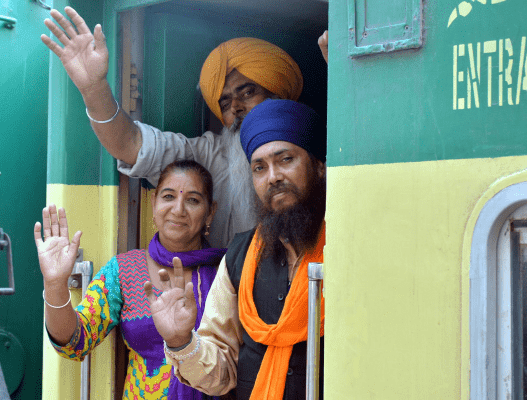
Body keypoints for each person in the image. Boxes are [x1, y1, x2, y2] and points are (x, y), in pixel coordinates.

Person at [41, 7, 325, 248]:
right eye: (224, 102)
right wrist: (94, 89)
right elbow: (129, 145)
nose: (236, 108)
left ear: (278, 95)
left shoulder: (316, 151)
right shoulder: (209, 154)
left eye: (248, 92)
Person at [144, 99, 326, 400]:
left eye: (285, 160)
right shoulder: (239, 256)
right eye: (259, 167)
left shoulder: (348, 245)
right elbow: (221, 373)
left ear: (318, 166)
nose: (273, 177)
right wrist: (180, 342)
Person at [35, 160, 230, 400]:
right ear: (153, 202)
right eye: (169, 196)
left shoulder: (228, 273)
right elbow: (75, 342)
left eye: (193, 200)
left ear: (210, 212)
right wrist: (55, 285)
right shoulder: (124, 270)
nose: (178, 209)